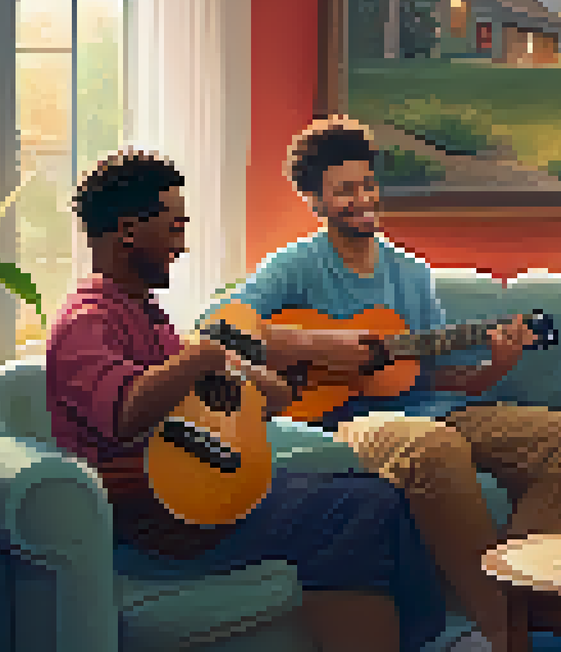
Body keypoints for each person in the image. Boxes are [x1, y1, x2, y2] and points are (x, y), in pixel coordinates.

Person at [208, 117, 561, 650]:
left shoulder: (409, 272)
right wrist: (323, 346)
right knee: (435, 447)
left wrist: (494, 369)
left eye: (367, 184)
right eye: (344, 190)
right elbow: (220, 327)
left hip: (431, 407)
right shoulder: (295, 266)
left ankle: (502, 599)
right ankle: (506, 632)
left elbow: (431, 372)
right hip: (342, 421)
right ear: (316, 201)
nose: (363, 198)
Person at [46, 150, 443, 652]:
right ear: (128, 232)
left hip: (192, 487)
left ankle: (431, 639)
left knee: (368, 491)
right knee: (360, 508)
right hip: (153, 516)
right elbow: (123, 414)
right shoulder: (88, 319)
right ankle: (439, 641)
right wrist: (203, 358)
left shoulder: (145, 315)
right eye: (173, 228)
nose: (182, 245)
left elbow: (260, 394)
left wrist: (245, 374)